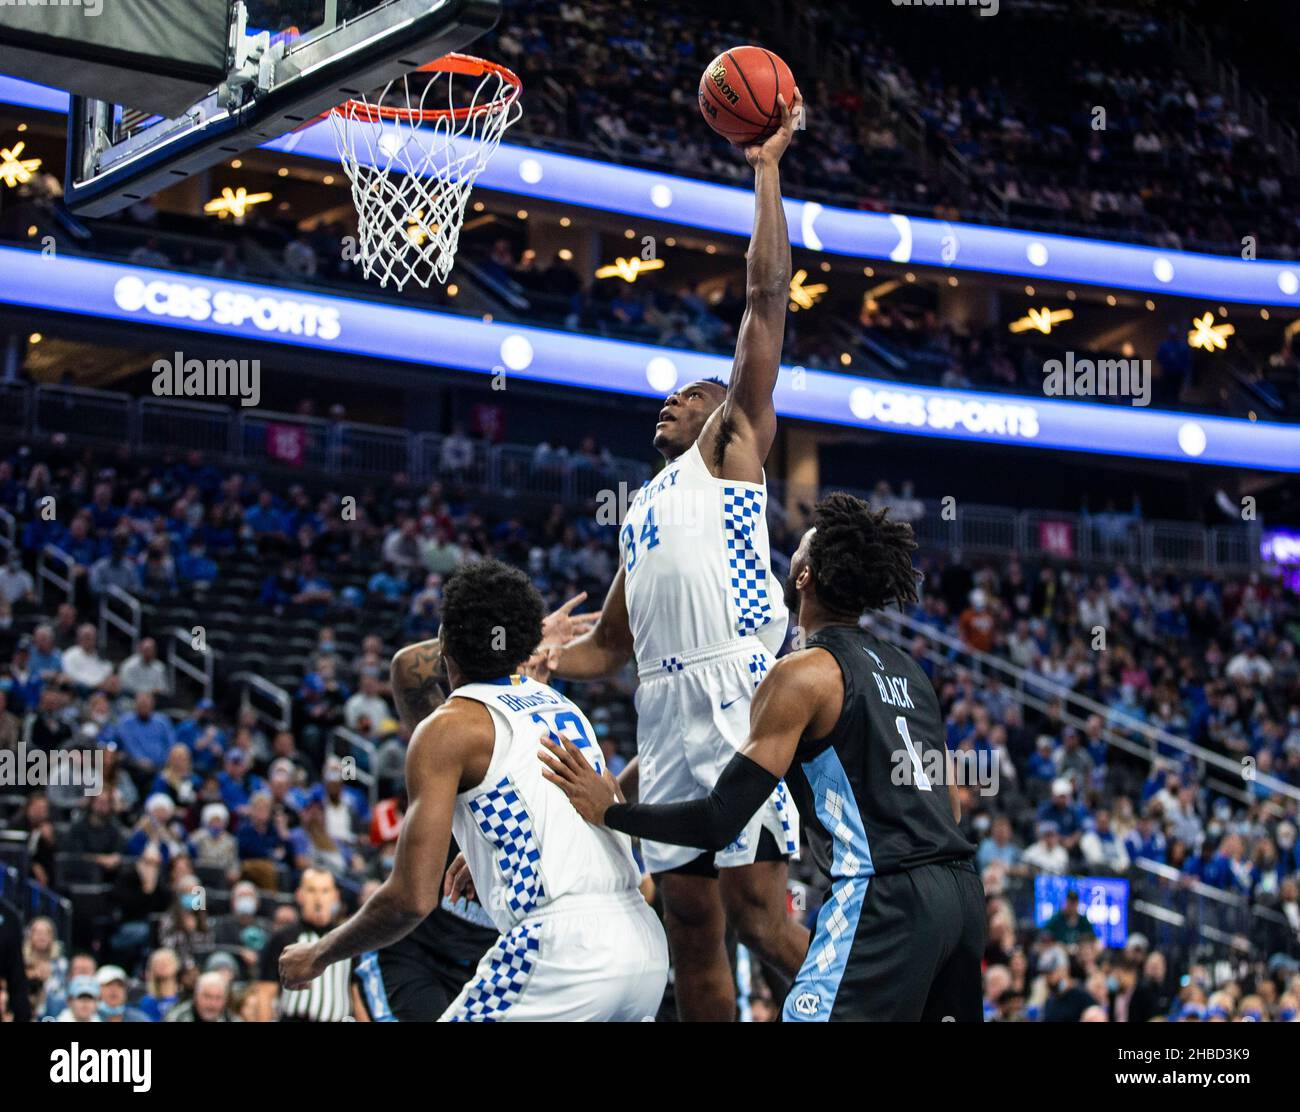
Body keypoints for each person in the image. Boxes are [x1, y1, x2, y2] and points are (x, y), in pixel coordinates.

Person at [530, 89, 809, 1021]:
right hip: (663, 711)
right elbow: (611, 646)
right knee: (689, 923)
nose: (671, 403)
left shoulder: (730, 452)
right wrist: (536, 658)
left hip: (738, 693)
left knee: (762, 918)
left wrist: (767, 170)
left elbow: (766, 300)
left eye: (688, 394)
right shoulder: (641, 507)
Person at [541, 493, 985, 1021]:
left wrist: (611, 811)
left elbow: (718, 820)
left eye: (799, 547)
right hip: (961, 894)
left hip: (886, 897)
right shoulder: (910, 671)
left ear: (803, 577)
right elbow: (950, 807)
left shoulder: (801, 673)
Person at [278, 560, 668, 1021]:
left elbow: (411, 899)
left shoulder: (449, 727)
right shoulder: (562, 707)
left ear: (446, 645)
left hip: (563, 952)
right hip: (641, 950)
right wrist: (484, 846)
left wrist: (319, 953)